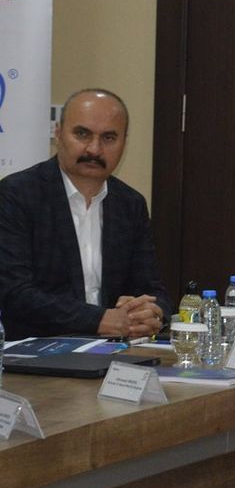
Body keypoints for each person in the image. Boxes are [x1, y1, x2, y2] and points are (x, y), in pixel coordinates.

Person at [0, 89, 170, 339]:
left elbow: (152, 288)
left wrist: (151, 313)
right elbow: (14, 293)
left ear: (124, 142)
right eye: (82, 134)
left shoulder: (130, 204)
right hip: (38, 351)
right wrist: (98, 320)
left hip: (116, 349)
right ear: (58, 133)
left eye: (109, 138)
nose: (94, 149)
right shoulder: (17, 194)